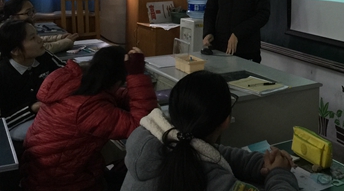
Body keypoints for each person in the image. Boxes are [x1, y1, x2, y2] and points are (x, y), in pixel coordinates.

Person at [121, 70, 299, 191]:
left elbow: (214, 153)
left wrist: (261, 164)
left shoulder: (157, 142)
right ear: (225, 121)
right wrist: (280, 173)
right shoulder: (210, 179)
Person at [20, 45, 158, 191]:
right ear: (117, 81)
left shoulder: (75, 81)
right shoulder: (89, 109)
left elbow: (110, 95)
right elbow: (141, 127)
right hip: (61, 182)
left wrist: (134, 90)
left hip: (43, 171)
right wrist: (137, 76)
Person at [0, 19, 65, 139]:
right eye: (32, 38)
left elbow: (67, 73)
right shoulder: (4, 74)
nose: (40, 39)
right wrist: (32, 108)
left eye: (37, 34)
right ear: (15, 51)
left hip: (51, 112)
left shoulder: (43, 56)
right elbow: (3, 122)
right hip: (20, 123)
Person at [1, 0, 78, 53]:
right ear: (13, 16)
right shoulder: (9, 31)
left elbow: (36, 39)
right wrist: (67, 42)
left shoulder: (15, 26)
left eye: (33, 11)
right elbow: (40, 47)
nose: (33, 15)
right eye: (28, 12)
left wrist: (59, 37)